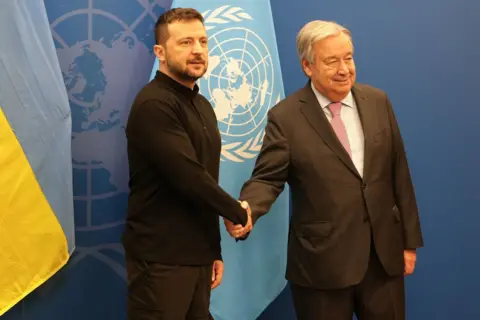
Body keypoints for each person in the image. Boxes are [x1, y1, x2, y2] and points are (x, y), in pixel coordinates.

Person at [227, 20, 423, 319]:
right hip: (321, 265)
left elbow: (399, 175)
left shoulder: (378, 101)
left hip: (382, 259)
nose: (344, 69)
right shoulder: (286, 117)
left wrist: (409, 243)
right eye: (332, 61)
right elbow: (268, 178)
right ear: (307, 66)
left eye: (348, 58)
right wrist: (248, 208)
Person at [122, 8, 252, 320]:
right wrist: (238, 212)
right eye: (185, 43)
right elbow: (190, 177)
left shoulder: (202, 104)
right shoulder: (154, 104)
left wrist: (213, 250)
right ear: (160, 52)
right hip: (161, 260)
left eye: (203, 42)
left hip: (197, 256)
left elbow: (206, 179)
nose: (197, 50)